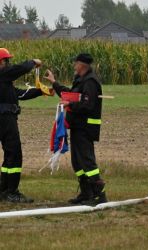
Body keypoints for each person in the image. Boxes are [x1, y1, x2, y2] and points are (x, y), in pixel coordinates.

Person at [45, 53, 107, 205]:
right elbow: (70, 95)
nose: (74, 66)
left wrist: (69, 105)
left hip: (85, 127)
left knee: (87, 162)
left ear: (82, 65)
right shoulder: (81, 80)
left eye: (76, 63)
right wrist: (54, 83)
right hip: (77, 126)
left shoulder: (91, 82)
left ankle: (100, 196)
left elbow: (88, 105)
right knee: (77, 163)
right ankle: (86, 194)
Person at [0, 48, 44, 203]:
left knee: (9, 155)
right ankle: (12, 192)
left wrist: (41, 91)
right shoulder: (3, 74)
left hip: (5, 119)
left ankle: (4, 190)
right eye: (6, 61)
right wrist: (34, 62)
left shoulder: (5, 81)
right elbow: (21, 69)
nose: (8, 64)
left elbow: (20, 94)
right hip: (5, 119)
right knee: (15, 154)